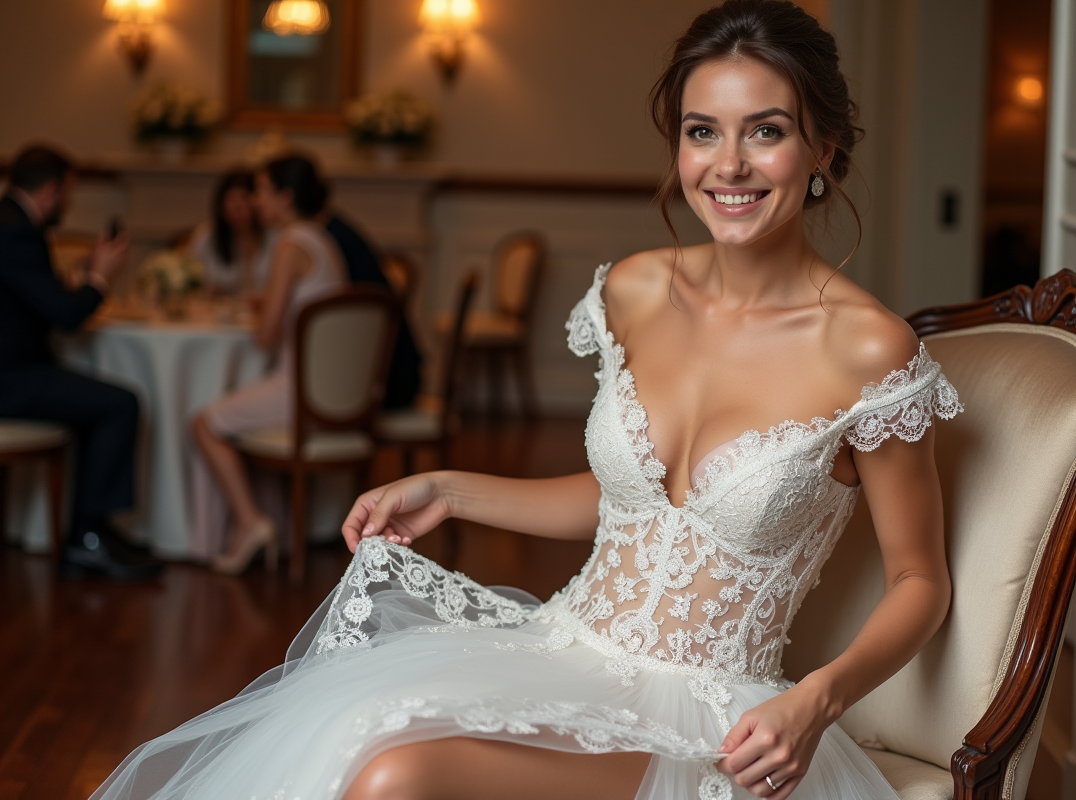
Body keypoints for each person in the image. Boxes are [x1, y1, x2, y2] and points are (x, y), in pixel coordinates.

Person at [95, 2, 962, 798]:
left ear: (824, 149)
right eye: (703, 132)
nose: (727, 165)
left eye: (765, 132)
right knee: (356, 728)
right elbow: (635, 511)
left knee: (396, 777)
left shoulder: (869, 350)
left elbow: (920, 580)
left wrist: (817, 700)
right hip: (563, 649)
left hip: (715, 719)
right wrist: (449, 486)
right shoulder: (632, 292)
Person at [0, 145, 161, 581]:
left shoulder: (11, 222)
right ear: (51, 190)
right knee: (120, 404)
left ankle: (92, 531)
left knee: (99, 401)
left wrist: (88, 273)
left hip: (17, 369)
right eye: (68, 193)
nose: (68, 204)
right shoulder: (17, 232)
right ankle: (88, 538)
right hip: (10, 380)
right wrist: (100, 277)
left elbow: (41, 302)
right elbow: (68, 317)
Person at [190, 154, 347, 574]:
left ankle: (250, 521)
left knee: (203, 424)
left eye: (260, 191)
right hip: (333, 389)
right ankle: (266, 523)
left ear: (285, 197)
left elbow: (266, 337)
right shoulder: (322, 241)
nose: (256, 202)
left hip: (299, 390)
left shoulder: (290, 244)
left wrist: (262, 308)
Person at [323, 211, 423, 409]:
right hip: (393, 371)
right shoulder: (337, 229)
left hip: (387, 381)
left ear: (286, 198)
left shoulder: (327, 240)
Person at [187, 169, 275, 294]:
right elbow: (191, 282)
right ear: (221, 205)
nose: (237, 207)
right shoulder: (206, 238)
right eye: (231, 199)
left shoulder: (274, 236)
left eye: (244, 198)